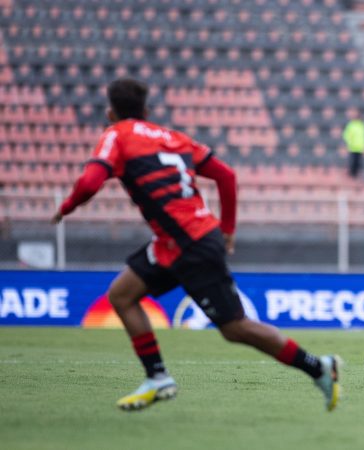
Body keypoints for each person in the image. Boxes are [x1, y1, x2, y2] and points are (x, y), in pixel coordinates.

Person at [51, 78, 342, 411]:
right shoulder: (174, 138)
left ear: (110, 112)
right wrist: (228, 229)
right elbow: (226, 176)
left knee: (236, 328)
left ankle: (319, 367)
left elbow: (90, 182)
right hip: (177, 242)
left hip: (191, 244)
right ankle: (158, 377)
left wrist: (66, 207)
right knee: (122, 294)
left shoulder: (116, 134)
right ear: (146, 111)